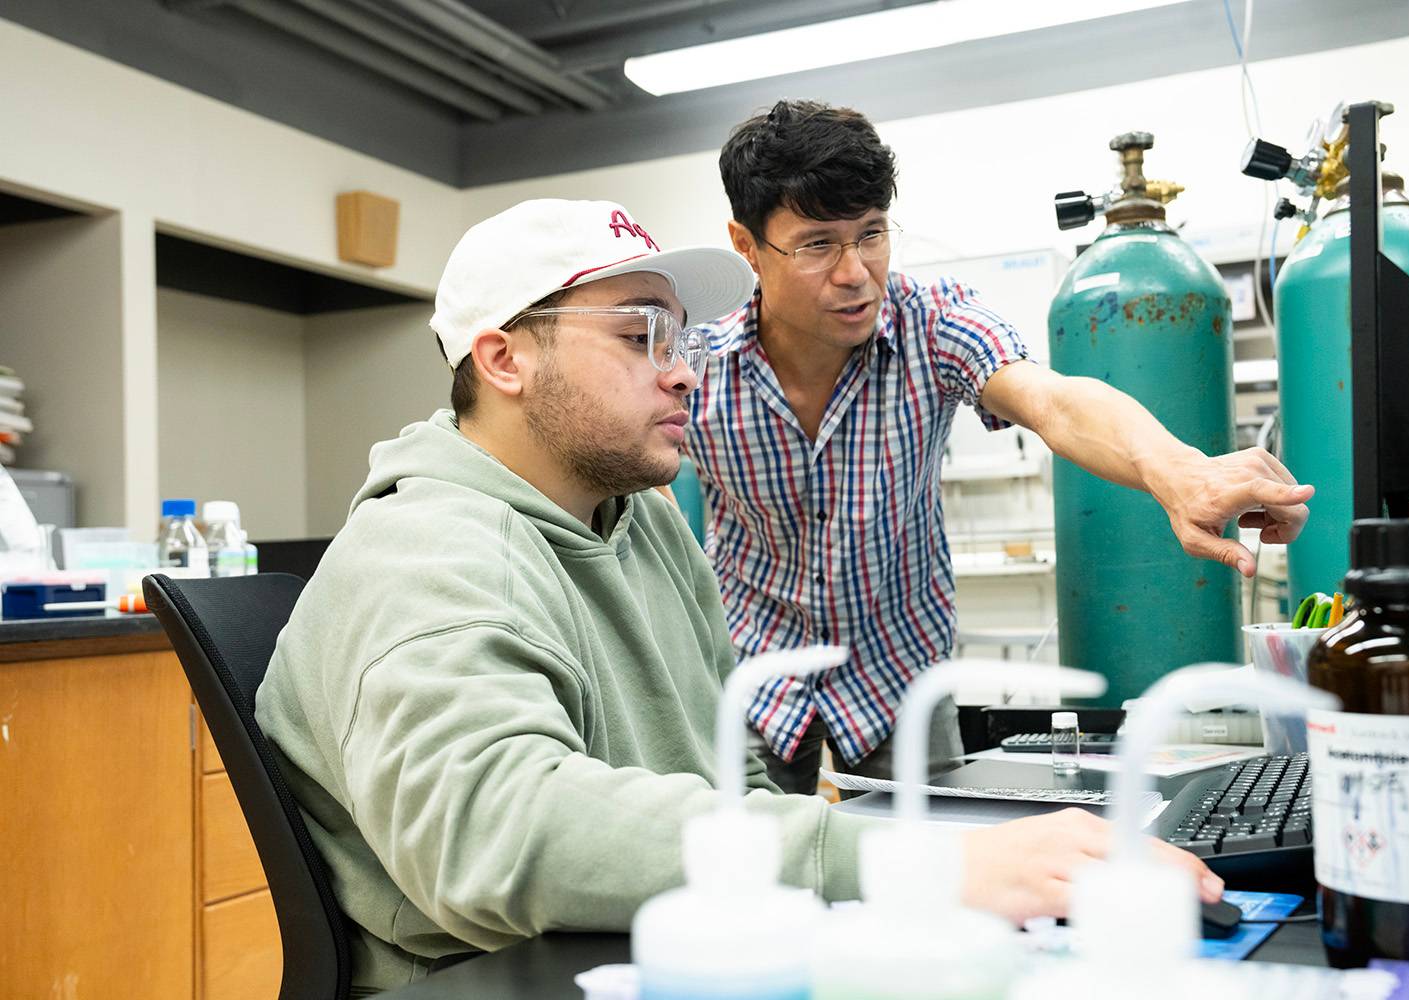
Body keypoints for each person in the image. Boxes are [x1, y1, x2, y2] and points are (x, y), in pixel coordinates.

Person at [254, 198, 1224, 993]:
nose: (681, 368)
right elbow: (496, 833)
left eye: (679, 333)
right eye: (640, 334)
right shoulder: (429, 549)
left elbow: (739, 781)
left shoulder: (639, 523)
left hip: (663, 954)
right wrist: (889, 864)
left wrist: (918, 877)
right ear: (505, 359)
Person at [687, 100, 1314, 793]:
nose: (856, 272)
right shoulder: (698, 366)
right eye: (817, 245)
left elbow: (1052, 400)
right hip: (753, 670)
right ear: (747, 246)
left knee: (933, 865)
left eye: (871, 234)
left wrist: (1179, 471)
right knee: (744, 868)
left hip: (899, 673)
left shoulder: (931, 322)